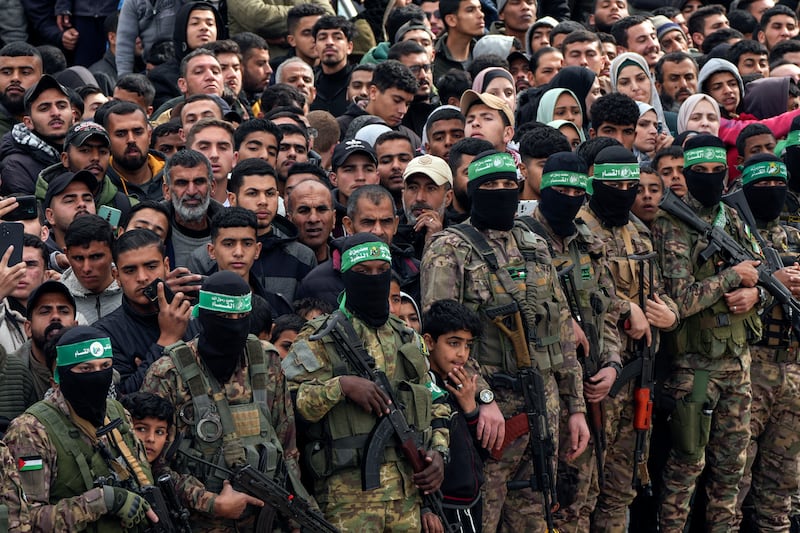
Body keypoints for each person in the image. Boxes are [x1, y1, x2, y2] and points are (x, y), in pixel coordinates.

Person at [421, 149, 589, 532]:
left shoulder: (534, 242)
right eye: (489, 186)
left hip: (543, 406)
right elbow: (442, 342)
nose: (500, 192)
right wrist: (482, 399)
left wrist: (575, 407)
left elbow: (560, 329)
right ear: (472, 191)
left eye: (506, 185)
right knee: (484, 518)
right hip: (489, 415)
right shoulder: (450, 249)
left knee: (537, 516)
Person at [283, 233, 450, 532]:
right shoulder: (320, 337)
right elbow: (290, 405)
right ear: (346, 275)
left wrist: (438, 454)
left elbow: (434, 402)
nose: (374, 278)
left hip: (406, 496)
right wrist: (341, 387)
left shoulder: (406, 337)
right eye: (362, 272)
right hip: (345, 499)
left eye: (381, 270)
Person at [651, 134, 766, 532]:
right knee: (686, 465)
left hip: (737, 360)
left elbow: (762, 275)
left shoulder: (732, 217)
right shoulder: (671, 224)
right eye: (701, 172)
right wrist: (733, 276)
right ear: (686, 173)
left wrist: (753, 294)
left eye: (718, 171)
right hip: (694, 366)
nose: (711, 179)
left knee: (733, 468)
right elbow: (679, 300)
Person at [141, 270, 307, 530]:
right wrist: (211, 502)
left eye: (242, 317)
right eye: (223, 317)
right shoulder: (168, 374)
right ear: (204, 317)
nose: (234, 324)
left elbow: (287, 450)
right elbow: (152, 464)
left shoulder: (266, 362)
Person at [577, 145, 679, 531]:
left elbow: (658, 291)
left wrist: (668, 313)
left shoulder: (639, 232)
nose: (622, 191)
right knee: (582, 492)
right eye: (612, 183)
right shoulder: (577, 228)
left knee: (622, 490)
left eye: (629, 184)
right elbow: (573, 291)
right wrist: (624, 309)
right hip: (597, 377)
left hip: (639, 373)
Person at [527, 151, 623, 532]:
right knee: (557, 507)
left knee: (589, 497)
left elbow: (608, 310)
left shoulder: (590, 243)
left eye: (576, 189)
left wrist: (613, 364)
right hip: (552, 389)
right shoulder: (523, 240)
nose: (568, 196)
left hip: (595, 384)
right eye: (559, 188)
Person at [4, 325, 158, 531]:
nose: (98, 375)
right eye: (86, 369)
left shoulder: (116, 412)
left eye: (105, 366)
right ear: (63, 374)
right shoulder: (31, 431)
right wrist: (101, 502)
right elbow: (26, 521)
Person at [732, 154, 800, 531]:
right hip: (751, 367)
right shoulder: (736, 234)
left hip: (792, 365)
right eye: (762, 185)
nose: (772, 192)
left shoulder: (795, 230)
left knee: (784, 480)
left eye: (779, 184)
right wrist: (770, 285)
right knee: (736, 475)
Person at [93, 229, 198, 394]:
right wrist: (166, 340)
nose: (142, 277)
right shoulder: (104, 334)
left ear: (166, 266)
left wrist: (144, 367)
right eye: (130, 270)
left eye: (151, 266)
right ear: (116, 276)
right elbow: (123, 399)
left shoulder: (195, 316)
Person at [420, 299, 487, 532]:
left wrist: (470, 407)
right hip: (443, 508)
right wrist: (426, 508)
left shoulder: (461, 386)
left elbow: (482, 453)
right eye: (454, 343)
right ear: (429, 341)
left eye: (467, 345)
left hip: (471, 502)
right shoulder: (422, 389)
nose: (462, 354)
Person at [35, 121, 135, 222]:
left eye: (103, 152)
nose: (95, 158)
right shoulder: (36, 209)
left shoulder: (128, 208)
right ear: (65, 158)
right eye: (85, 150)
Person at [0, 74, 75, 196]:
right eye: (44, 108)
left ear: (74, 116)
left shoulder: (84, 150)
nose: (55, 113)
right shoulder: (16, 166)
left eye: (61, 106)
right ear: (28, 122)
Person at [12, 279, 78, 401]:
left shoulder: (96, 365)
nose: (55, 317)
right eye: (45, 311)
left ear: (75, 326)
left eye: (63, 311)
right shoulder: (10, 373)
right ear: (28, 328)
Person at [162, 148, 226, 269]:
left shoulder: (232, 230)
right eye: (182, 183)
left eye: (199, 182)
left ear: (212, 187)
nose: (191, 191)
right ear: (167, 191)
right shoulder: (152, 229)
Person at [61, 214, 121, 323]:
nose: (86, 268)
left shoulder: (131, 292)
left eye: (96, 257)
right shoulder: (57, 298)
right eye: (78, 258)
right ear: (67, 255)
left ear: (113, 251)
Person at [103, 101, 167, 202]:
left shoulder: (173, 176)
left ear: (149, 136)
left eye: (138, 132)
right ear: (107, 140)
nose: (131, 140)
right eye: (121, 134)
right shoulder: (100, 185)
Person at [396, 154, 454, 260]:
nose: (419, 198)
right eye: (413, 187)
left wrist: (437, 242)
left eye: (430, 188)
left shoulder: (460, 239)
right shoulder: (389, 233)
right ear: (402, 195)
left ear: (448, 198)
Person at [310, 16, 356, 118]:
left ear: (349, 47)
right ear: (315, 48)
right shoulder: (308, 81)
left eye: (337, 37)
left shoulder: (360, 80)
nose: (329, 42)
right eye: (322, 38)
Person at [434, 0, 485, 83]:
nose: (481, 15)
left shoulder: (483, 53)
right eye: (470, 10)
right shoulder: (432, 59)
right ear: (451, 20)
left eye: (480, 9)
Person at [0, 43, 44, 137]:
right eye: (6, 72)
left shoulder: (53, 122)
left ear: (41, 79)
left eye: (25, 72)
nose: (15, 78)